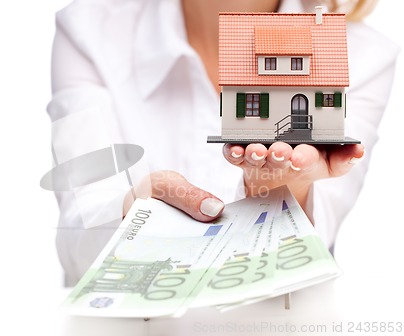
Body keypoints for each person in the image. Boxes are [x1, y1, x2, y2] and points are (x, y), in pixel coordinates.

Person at [47, 0, 399, 285]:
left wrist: (281, 185)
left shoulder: (362, 53)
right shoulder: (88, 30)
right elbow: (78, 240)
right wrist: (130, 212)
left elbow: (308, 250)